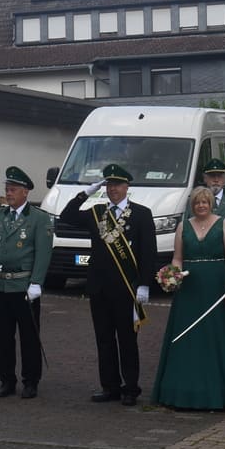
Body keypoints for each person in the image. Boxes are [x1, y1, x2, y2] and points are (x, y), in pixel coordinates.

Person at [153, 186, 225, 409]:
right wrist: (172, 276)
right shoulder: (183, 226)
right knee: (190, 337)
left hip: (217, 287)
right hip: (189, 290)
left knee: (220, 336)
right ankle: (184, 390)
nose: (201, 206)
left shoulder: (223, 224)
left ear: (211, 203)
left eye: (204, 202)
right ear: (192, 205)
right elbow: (177, 257)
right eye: (197, 203)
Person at [62, 163, 157, 406]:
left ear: (127, 186)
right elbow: (67, 216)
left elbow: (148, 253)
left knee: (127, 340)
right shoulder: (97, 212)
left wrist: (144, 284)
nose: (113, 189)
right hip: (99, 288)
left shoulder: (141, 214)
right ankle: (110, 386)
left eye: (117, 184)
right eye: (109, 184)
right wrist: (86, 193)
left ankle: (131, 388)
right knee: (104, 340)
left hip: (126, 288)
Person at [0, 166, 54, 399]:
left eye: (13, 189)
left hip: (24, 286)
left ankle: (30, 381)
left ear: (25, 192)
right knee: (3, 336)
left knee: (29, 336)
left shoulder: (39, 218)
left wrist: (37, 282)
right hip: (1, 285)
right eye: (7, 189)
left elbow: (43, 253)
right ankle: (6, 380)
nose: (9, 193)